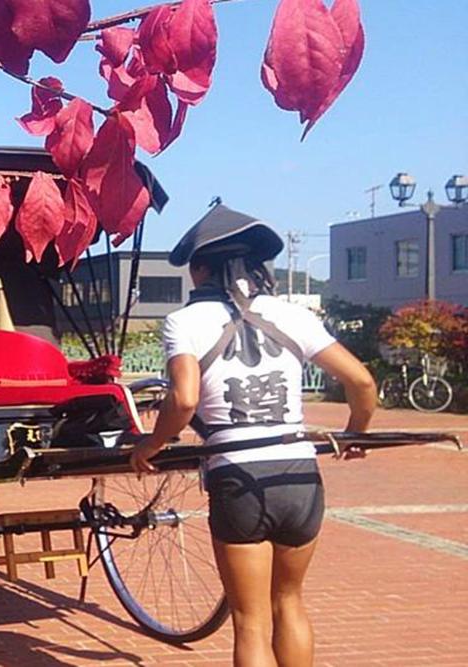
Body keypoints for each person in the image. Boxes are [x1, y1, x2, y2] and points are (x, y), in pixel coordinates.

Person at [129, 205, 377, 667]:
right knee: (290, 603)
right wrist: (355, 434)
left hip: (239, 478)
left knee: (251, 621)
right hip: (300, 476)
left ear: (200, 268)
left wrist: (152, 444)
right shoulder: (292, 315)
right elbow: (361, 382)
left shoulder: (184, 322)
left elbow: (183, 401)